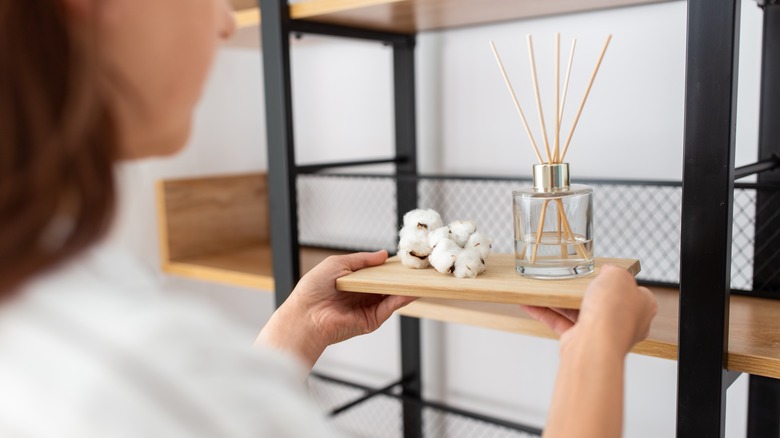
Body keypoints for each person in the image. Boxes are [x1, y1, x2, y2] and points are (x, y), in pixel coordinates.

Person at [0, 1, 657, 437]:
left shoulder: (52, 312)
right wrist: (594, 352)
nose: (226, 23)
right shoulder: (128, 364)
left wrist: (298, 329)